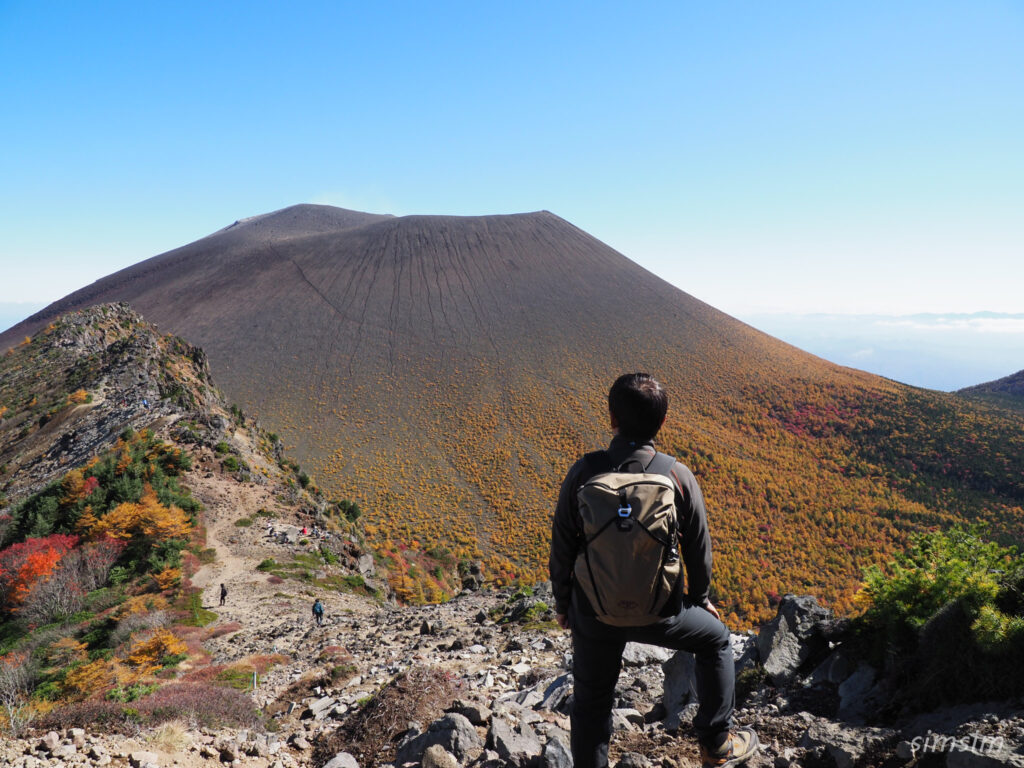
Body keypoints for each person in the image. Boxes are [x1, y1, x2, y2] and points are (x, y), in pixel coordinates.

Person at [549, 373, 758, 768]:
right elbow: (698, 549)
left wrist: (565, 604)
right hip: (662, 613)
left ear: (611, 417)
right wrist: (699, 600)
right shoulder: (676, 475)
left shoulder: (584, 473)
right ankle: (716, 745)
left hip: (594, 614)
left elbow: (562, 545)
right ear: (662, 423)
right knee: (716, 640)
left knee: (591, 702)